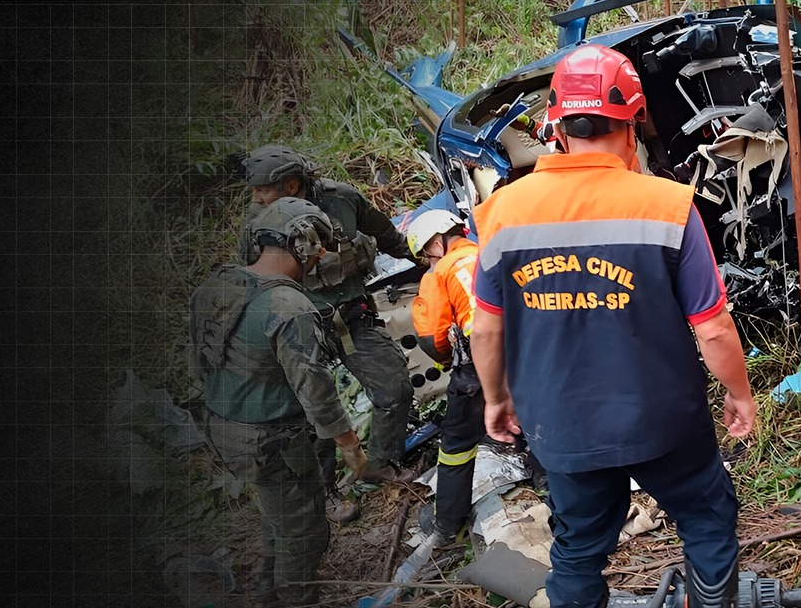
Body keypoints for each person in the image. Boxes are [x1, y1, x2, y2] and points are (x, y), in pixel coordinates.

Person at [468, 45, 758, 608]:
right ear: (634, 123)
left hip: (560, 423)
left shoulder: (502, 212)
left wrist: (496, 398)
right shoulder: (668, 206)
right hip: (664, 419)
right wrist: (738, 393)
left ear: (556, 126)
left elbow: (486, 329)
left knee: (577, 548)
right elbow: (715, 328)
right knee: (706, 519)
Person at [189, 197, 371, 605]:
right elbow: (315, 389)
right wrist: (351, 448)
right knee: (305, 533)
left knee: (279, 514)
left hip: (221, 425)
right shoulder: (290, 306)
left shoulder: (218, 284)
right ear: (304, 244)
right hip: (270, 440)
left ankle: (267, 589)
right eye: (318, 247)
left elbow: (201, 356)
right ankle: (295, 598)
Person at [239, 145, 420, 484]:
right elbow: (251, 279)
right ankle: (326, 493)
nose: (256, 197)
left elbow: (388, 236)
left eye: (262, 189)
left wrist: (431, 262)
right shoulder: (256, 222)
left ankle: (380, 465)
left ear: (291, 185)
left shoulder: (343, 200)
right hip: (298, 328)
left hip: (351, 316)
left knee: (394, 388)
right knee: (305, 414)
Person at [404, 209, 484, 546]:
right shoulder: (490, 251)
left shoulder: (439, 275)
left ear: (437, 243)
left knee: (456, 446)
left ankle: (449, 524)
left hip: (479, 365)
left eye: (425, 254)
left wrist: (450, 359)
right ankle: (547, 486)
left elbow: (434, 336)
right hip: (529, 352)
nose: (427, 261)